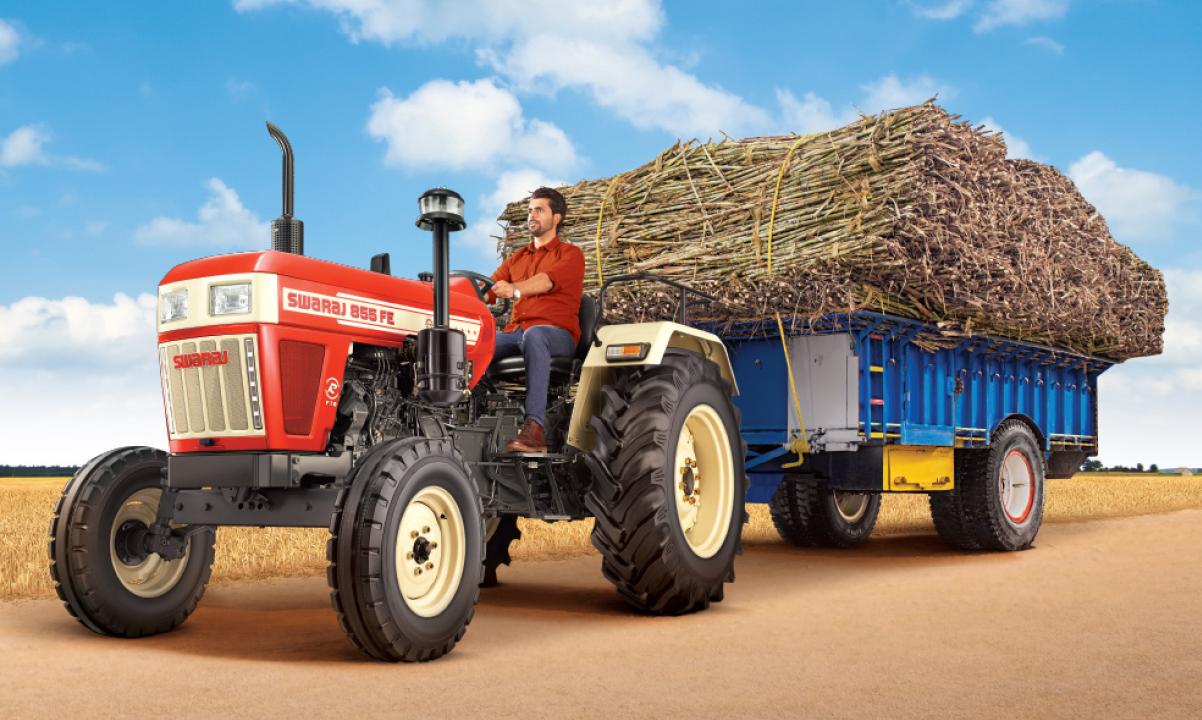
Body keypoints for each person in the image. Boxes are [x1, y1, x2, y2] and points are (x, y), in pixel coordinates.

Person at [489, 187, 584, 453]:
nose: (532, 215)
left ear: (557, 218)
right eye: (530, 210)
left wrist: (514, 289)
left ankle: (535, 429)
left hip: (557, 335)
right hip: (517, 332)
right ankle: (475, 413)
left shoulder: (570, 254)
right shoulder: (517, 257)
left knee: (535, 335)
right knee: (478, 342)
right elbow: (488, 288)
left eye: (539, 210)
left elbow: (546, 281)